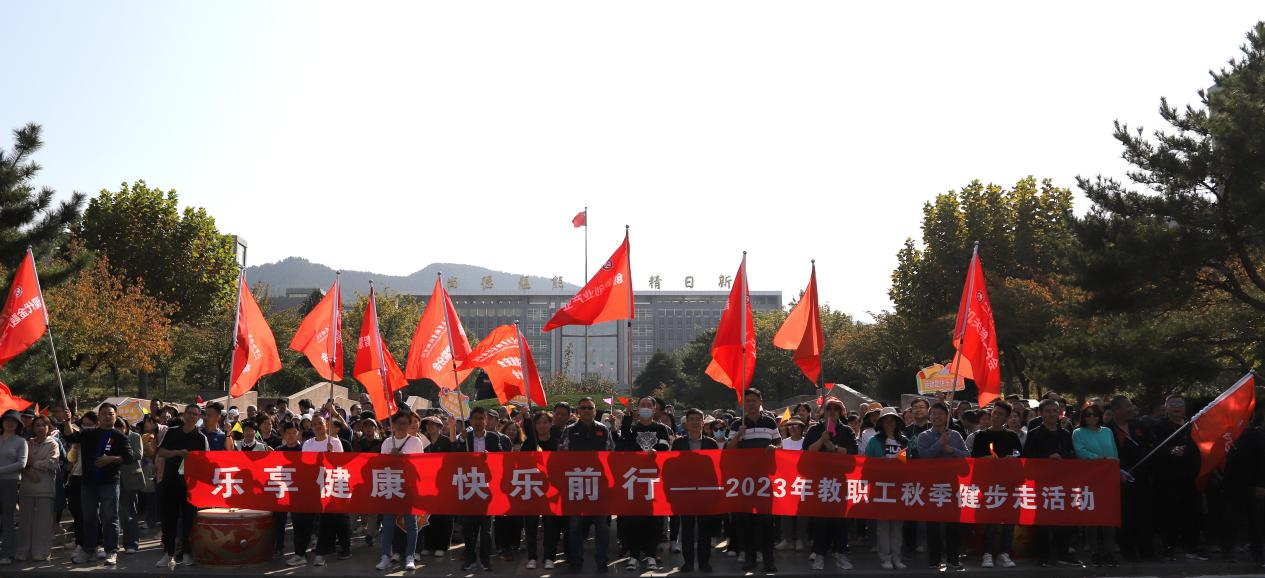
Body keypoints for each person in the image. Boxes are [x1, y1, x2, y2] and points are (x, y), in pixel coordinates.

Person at [70, 403, 132, 566]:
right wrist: (67, 421)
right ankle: (89, 550)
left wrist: (110, 459)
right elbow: (70, 437)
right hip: (88, 483)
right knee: (89, 517)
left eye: (111, 414)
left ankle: (111, 551)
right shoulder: (88, 433)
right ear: (99, 416)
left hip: (109, 483)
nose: (107, 416)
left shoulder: (120, 436)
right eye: (104, 413)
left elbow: (129, 457)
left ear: (115, 416)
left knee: (110, 517)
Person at [616, 397, 674, 572]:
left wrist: (656, 452)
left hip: (653, 479)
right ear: (638, 408)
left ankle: (651, 555)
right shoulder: (632, 428)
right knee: (633, 519)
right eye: (643, 405)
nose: (646, 408)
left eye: (649, 405)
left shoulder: (661, 429)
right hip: (634, 479)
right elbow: (625, 443)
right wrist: (627, 414)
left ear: (655, 409)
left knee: (654, 519)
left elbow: (665, 448)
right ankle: (633, 555)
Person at [1023, 398, 1080, 567]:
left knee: (1063, 519)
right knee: (1042, 520)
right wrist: (1047, 457)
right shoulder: (1034, 433)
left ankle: (1063, 553)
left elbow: (1073, 456)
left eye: (1055, 411)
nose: (1052, 414)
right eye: (1047, 411)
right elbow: (1027, 457)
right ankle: (1042, 555)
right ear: (1040, 413)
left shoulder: (1066, 434)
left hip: (1063, 483)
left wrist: (1063, 457)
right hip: (1042, 483)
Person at [560, 397, 614, 573]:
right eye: (583, 408)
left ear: (595, 410)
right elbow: (562, 455)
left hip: (599, 484)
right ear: (577, 411)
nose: (586, 411)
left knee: (602, 526)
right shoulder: (569, 431)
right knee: (574, 526)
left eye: (589, 408)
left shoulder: (603, 429)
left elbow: (611, 454)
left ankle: (602, 560)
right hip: (576, 484)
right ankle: (576, 560)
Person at [1151, 394, 1206, 561]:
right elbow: (1154, 448)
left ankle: (1192, 547)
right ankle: (1169, 547)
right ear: (1166, 407)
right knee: (1170, 514)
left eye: (1180, 403)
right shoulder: (1159, 426)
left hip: (1192, 476)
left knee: (1193, 513)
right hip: (1169, 478)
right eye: (1173, 403)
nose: (1177, 406)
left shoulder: (1193, 424)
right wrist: (1170, 450)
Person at [804, 397, 855, 571]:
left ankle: (841, 553)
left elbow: (853, 453)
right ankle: (819, 554)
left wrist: (833, 447)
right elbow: (806, 452)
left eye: (835, 409)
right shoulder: (814, 430)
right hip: (819, 482)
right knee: (820, 520)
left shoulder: (846, 431)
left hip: (840, 482)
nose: (832, 412)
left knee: (840, 520)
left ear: (840, 412)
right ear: (823, 411)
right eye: (829, 408)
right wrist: (821, 441)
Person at [915, 401, 967, 571]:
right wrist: (939, 444)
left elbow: (967, 455)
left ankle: (953, 558)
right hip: (932, 485)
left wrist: (951, 450)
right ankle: (934, 559)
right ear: (929, 417)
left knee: (953, 523)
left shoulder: (955, 435)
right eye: (933, 414)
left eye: (940, 414)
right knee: (933, 525)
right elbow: (924, 455)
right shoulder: (924, 436)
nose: (936, 417)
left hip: (952, 484)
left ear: (946, 417)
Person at [156, 404, 208, 568]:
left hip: (190, 486)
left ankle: (186, 553)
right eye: (189, 413)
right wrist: (179, 453)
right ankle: (168, 553)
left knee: (188, 521)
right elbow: (161, 452)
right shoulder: (172, 432)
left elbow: (205, 461)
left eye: (195, 414)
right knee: (168, 520)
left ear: (198, 418)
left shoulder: (201, 437)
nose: (192, 416)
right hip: (170, 482)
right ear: (184, 415)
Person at [971, 402, 1022, 569]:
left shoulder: (1012, 436)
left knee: (1009, 520)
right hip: (989, 484)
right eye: (994, 413)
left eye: (1000, 414)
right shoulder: (981, 435)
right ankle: (987, 553)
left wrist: (1012, 459)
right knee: (990, 520)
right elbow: (974, 459)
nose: (996, 416)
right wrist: (986, 459)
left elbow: (1020, 455)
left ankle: (1004, 553)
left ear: (1006, 418)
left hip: (1009, 483)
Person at [458, 406, 507, 571]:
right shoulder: (465, 438)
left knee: (485, 529)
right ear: (470, 421)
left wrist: (491, 456)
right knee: (468, 528)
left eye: (481, 418)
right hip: (469, 487)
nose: (478, 422)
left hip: (487, 488)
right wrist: (460, 441)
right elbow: (454, 457)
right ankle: (470, 559)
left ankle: (485, 560)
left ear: (486, 421)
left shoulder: (493, 437)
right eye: (475, 419)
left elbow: (501, 457)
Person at [376, 411, 427, 571]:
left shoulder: (415, 442)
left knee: (411, 523)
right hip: (391, 486)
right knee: (388, 524)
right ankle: (385, 556)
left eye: (405, 423)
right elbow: (380, 465)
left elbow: (421, 465)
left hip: (409, 487)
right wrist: (390, 457)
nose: (402, 426)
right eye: (399, 423)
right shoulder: (386, 443)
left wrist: (405, 457)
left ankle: (410, 556)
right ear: (392, 425)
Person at [671, 408, 719, 572]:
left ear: (703, 422)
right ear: (686, 423)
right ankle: (688, 562)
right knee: (687, 529)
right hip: (685, 491)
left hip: (705, 492)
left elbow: (716, 468)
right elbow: (673, 466)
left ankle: (704, 562)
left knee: (705, 529)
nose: (695, 422)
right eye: (691, 419)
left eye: (698, 419)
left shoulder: (711, 444)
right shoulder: (678, 444)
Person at [1073, 402, 1118, 567]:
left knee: (1109, 517)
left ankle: (1109, 551)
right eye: (1088, 414)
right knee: (1092, 517)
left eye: (1095, 414)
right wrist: (1101, 459)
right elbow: (1081, 452)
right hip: (1089, 478)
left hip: (1108, 478)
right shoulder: (1078, 432)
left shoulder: (1107, 431)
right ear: (1083, 417)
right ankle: (1094, 552)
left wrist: (1114, 466)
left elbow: (1114, 452)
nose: (1092, 417)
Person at [864, 407, 908, 569]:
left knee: (897, 525)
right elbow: (866, 464)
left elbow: (909, 463)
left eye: (892, 420)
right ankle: (885, 557)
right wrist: (880, 463)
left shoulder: (904, 442)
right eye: (886, 420)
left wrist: (898, 464)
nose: (889, 423)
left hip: (898, 488)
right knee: (883, 525)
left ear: (897, 422)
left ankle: (897, 557)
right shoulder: (874, 441)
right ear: (881, 423)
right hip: (881, 488)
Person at [304, 415, 350, 566]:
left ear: (326, 425)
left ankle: (337, 548)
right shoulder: (308, 444)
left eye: (320, 423)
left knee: (338, 518)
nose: (318, 426)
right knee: (324, 519)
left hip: (334, 484)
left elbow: (340, 463)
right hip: (317, 485)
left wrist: (331, 454)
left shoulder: (335, 442)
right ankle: (324, 550)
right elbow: (306, 463)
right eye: (314, 424)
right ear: (311, 427)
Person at [521, 411, 562, 570]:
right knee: (531, 524)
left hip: (551, 490)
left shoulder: (557, 443)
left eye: (545, 422)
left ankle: (549, 557)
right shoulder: (529, 443)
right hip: (532, 488)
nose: (542, 426)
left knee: (550, 524)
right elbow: (520, 465)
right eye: (538, 423)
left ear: (551, 424)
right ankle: (532, 556)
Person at [16, 414, 59, 562]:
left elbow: (52, 463)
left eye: (43, 425)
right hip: (27, 487)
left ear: (48, 427)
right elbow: (21, 463)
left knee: (43, 522)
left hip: (45, 487)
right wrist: (31, 469)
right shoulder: (27, 443)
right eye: (37, 425)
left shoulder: (53, 444)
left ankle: (41, 551)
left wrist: (33, 463)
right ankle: (23, 550)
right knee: (25, 521)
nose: (40, 428)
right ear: (32, 428)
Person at [275, 423, 307, 565]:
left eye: (294, 433)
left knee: (298, 523)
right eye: (288, 433)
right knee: (279, 521)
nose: (291, 436)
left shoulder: (304, 450)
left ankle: (299, 552)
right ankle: (279, 547)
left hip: (298, 492)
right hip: (282, 490)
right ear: (284, 434)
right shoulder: (278, 450)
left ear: (298, 433)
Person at [775, 419, 808, 552]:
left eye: (796, 426)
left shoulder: (806, 442)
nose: (793, 428)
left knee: (802, 513)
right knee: (786, 512)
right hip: (787, 481)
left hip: (803, 481)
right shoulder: (784, 443)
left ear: (801, 428)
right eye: (790, 426)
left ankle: (799, 539)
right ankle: (787, 540)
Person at [0, 410, 27, 564]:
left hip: (10, 482)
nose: (10, 423)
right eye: (7, 420)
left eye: (14, 421)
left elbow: (21, 463)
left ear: (18, 424)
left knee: (8, 518)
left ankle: (7, 553)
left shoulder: (21, 441)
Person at [118, 418, 146, 554]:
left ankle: (132, 543)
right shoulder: (110, 437)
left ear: (126, 427)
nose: (119, 431)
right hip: (114, 477)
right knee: (115, 512)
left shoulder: (134, 436)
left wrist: (119, 457)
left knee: (130, 511)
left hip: (130, 477)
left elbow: (138, 454)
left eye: (121, 428)